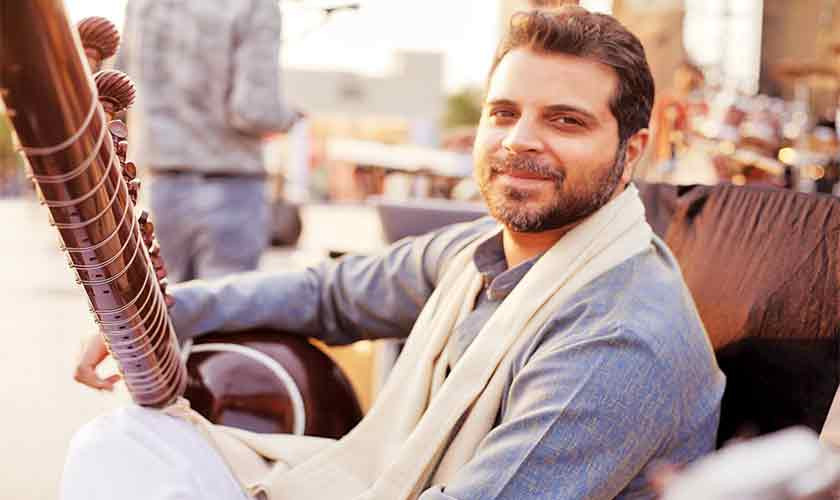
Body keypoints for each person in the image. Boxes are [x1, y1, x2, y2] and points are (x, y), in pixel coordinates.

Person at [68, 6, 725, 500]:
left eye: (566, 120)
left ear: (631, 152)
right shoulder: (478, 254)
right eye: (503, 113)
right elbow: (330, 294)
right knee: (123, 442)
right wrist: (162, 309)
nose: (518, 141)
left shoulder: (617, 340)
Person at [116, 0, 301, 283]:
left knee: (168, 301)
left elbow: (120, 87)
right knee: (225, 304)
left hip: (161, 186)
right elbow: (253, 111)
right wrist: (290, 117)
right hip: (231, 186)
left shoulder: (143, 4)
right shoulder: (256, 5)